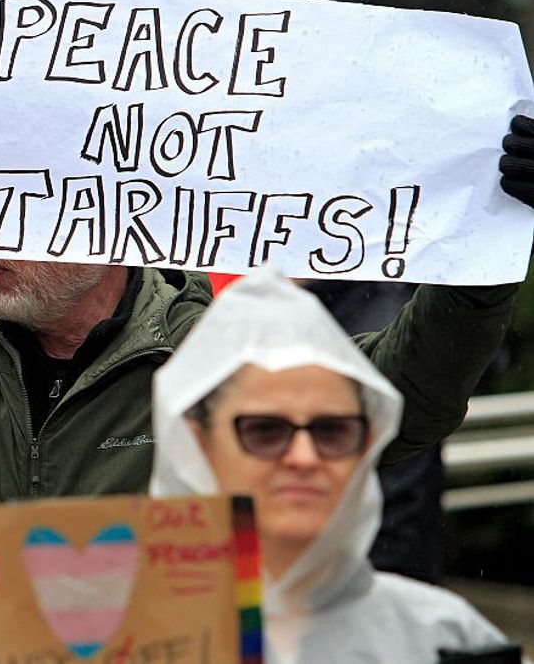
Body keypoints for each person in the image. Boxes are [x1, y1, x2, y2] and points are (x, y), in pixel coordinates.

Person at [0, 112, 534, 662]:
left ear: (117, 221)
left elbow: (403, 402)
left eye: (26, 212)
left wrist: (489, 252)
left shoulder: (215, 359)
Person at [149, 268, 519, 663]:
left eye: (333, 431)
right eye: (265, 431)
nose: (304, 457)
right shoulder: (111, 636)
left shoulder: (447, 640)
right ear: (199, 443)